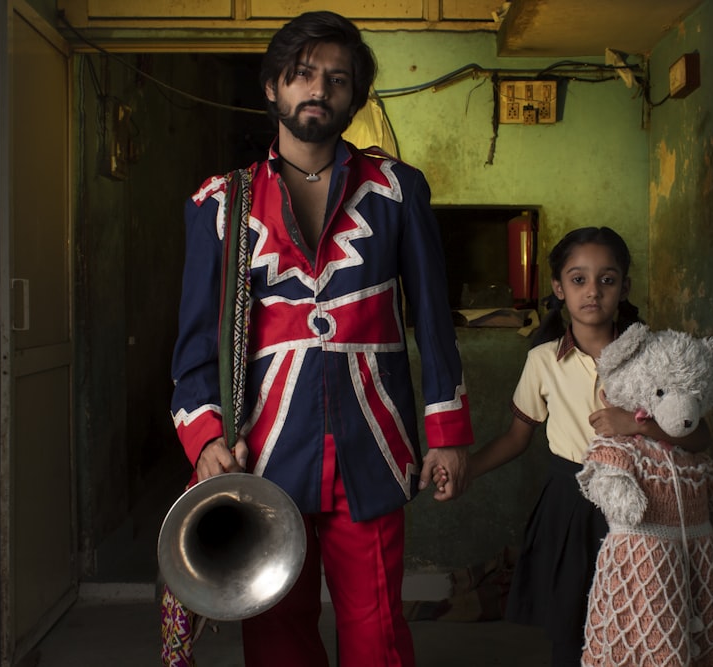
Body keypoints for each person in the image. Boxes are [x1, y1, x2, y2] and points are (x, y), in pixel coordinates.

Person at [169, 11, 473, 666]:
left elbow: (433, 318)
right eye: (303, 74)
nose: (319, 89)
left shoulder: (397, 190)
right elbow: (194, 350)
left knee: (379, 631)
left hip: (375, 449)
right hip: (264, 459)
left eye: (337, 79)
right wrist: (205, 441)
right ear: (274, 87)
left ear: (353, 97)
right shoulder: (220, 204)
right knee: (277, 637)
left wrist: (446, 433)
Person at [433, 226, 711, 666]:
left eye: (608, 279)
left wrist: (638, 426)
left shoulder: (655, 357)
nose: (593, 292)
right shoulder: (543, 361)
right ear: (559, 289)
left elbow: (700, 436)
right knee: (572, 625)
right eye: (579, 279)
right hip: (571, 503)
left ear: (625, 287)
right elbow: (515, 438)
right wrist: (466, 468)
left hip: (642, 502)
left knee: (643, 620)